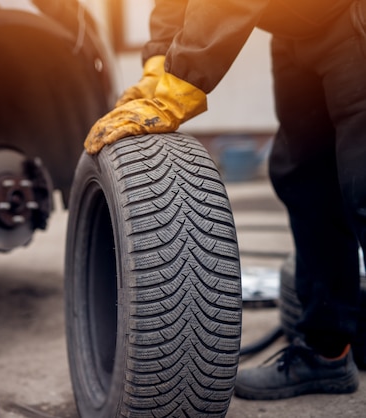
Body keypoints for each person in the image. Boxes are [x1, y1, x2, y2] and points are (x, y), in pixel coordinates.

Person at [85, 0, 366, 400]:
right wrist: (157, 65)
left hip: (353, 22)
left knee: (362, 186)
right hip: (295, 32)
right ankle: (326, 356)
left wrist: (179, 87)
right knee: (306, 182)